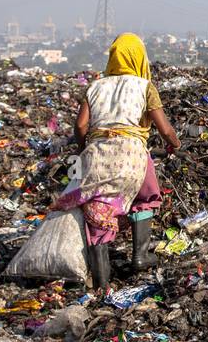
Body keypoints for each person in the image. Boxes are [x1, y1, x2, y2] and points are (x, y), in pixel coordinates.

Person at [57, 33, 181, 288]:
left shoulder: (95, 87)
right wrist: (174, 145)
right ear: (139, 57)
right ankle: (140, 255)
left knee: (98, 211)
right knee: (145, 197)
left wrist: (85, 149)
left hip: (98, 153)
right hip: (133, 153)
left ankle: (102, 285)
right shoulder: (144, 86)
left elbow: (80, 126)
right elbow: (165, 129)